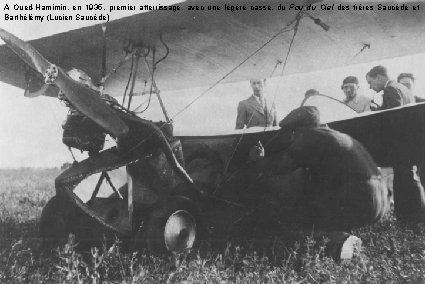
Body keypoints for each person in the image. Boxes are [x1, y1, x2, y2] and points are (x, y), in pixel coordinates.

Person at [250, 106, 390, 230]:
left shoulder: (308, 138)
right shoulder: (337, 135)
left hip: (361, 206)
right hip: (380, 203)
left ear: (297, 130)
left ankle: (335, 240)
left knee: (295, 217)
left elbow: (278, 167)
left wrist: (259, 159)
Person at [366, 66, 424, 223]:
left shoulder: (390, 89)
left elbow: (394, 118)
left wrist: (377, 116)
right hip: (410, 145)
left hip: (400, 146)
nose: (370, 86)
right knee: (410, 180)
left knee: (403, 182)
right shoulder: (402, 88)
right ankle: (417, 217)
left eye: (370, 82)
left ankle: (407, 219)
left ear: (378, 77)